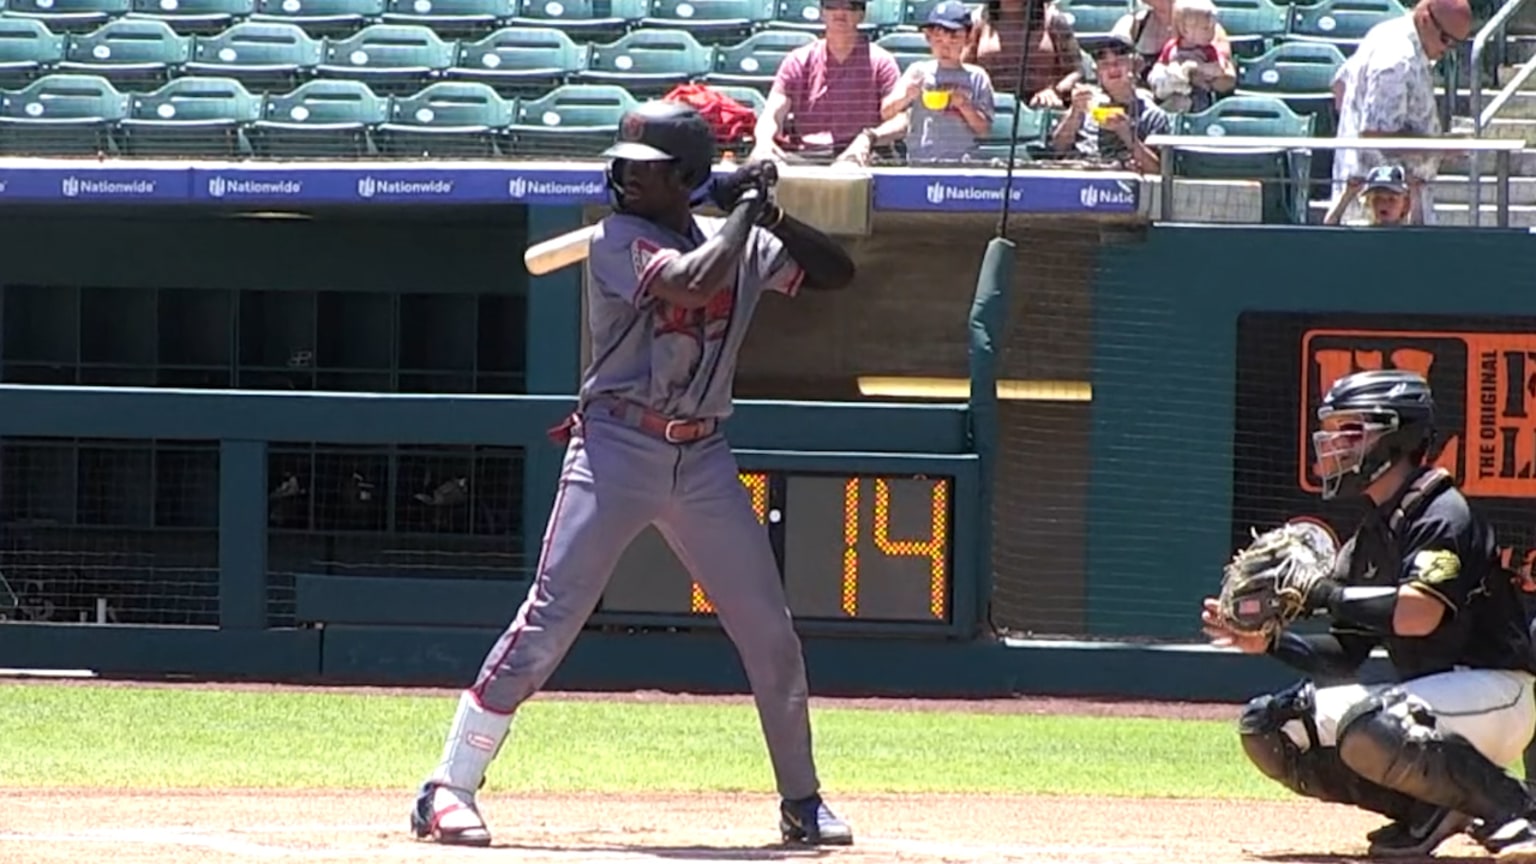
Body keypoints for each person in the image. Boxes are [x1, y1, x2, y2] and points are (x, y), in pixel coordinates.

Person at [410, 100, 858, 849]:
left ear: (685, 178)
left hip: (705, 457)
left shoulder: (737, 239)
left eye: (643, 172)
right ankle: (445, 788)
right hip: (618, 446)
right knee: (550, 620)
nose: (620, 179)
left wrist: (767, 214)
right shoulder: (618, 238)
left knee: (770, 634)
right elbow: (687, 283)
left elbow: (837, 275)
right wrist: (742, 212)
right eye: (619, 165)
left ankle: (802, 801)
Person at [1201, 369, 1536, 860]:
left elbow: (1418, 615)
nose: (1335, 444)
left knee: (1370, 724)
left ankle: (1517, 811)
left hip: (1499, 694)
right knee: (1274, 728)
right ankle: (1431, 810)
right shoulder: (1371, 535)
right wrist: (1272, 643)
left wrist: (1321, 592)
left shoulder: (1442, 512)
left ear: (1396, 436)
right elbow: (1344, 655)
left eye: (1352, 431)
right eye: (1335, 431)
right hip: (1433, 706)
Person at [1329, 0, 1473, 226]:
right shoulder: (1397, 59)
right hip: (1380, 208)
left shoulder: (1384, 32)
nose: (1447, 49)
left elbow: (1339, 87)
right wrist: (1440, 147)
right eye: (1446, 39)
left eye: (1456, 45)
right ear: (1426, 19)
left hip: (1385, 201)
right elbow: (1375, 135)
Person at [750, 0, 907, 166]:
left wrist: (869, 137)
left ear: (862, 15)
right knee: (759, 165)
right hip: (809, 155)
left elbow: (901, 120)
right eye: (832, 4)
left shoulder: (881, 62)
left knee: (847, 171)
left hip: (863, 153)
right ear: (822, 12)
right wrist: (764, 140)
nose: (840, 12)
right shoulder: (798, 60)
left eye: (849, 6)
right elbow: (772, 113)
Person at [883, 0, 997, 164]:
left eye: (953, 40)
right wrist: (907, 96)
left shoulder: (977, 77)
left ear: (967, 38)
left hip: (962, 164)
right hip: (919, 162)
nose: (945, 48)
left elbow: (984, 131)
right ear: (928, 39)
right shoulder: (918, 72)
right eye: (938, 40)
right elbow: (886, 112)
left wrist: (964, 105)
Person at [1049, 34, 1169, 173]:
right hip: (1078, 176)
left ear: (1134, 66)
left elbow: (1158, 172)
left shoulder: (1152, 115)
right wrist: (1074, 114)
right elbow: (1056, 149)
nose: (1112, 68)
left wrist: (1127, 135)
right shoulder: (1085, 103)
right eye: (1104, 64)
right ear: (1097, 72)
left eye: (1119, 61)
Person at [964, 0, 1081, 110]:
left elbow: (1076, 71)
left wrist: (1055, 91)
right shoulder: (979, 20)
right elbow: (963, 67)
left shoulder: (1053, 19)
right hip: (991, 109)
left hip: (1041, 109)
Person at [1111, 0, 1236, 89]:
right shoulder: (1133, 24)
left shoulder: (1207, 29)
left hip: (1189, 109)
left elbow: (1228, 80)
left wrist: (1197, 72)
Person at [1145, 0, 1234, 113]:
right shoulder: (1172, 46)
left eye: (1212, 27)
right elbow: (1161, 64)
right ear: (1185, 30)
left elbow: (1221, 71)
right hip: (1170, 93)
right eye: (1206, 28)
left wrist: (1198, 68)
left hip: (1197, 95)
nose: (1211, 32)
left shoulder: (1209, 49)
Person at [1323, 164, 1420, 225]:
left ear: (1405, 205)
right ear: (1369, 202)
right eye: (1377, 198)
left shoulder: (1408, 232)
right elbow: (1329, 230)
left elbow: (1420, 232)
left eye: (1392, 199)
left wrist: (1415, 193)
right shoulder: (1361, 230)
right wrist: (1348, 194)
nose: (1383, 204)